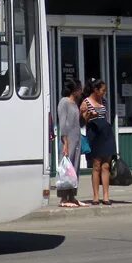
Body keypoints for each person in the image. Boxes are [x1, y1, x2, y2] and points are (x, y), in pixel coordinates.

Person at [81, 78, 116, 206]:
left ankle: (106, 196)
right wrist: (90, 115)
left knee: (106, 165)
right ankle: (95, 196)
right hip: (94, 133)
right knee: (96, 165)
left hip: (106, 133)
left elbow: (105, 117)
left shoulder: (104, 101)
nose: (104, 93)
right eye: (102, 90)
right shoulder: (86, 102)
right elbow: (82, 121)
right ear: (95, 90)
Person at [56, 78, 84, 207]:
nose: (81, 91)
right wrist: (65, 143)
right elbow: (63, 124)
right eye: (80, 89)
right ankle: (63, 198)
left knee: (75, 167)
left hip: (76, 139)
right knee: (66, 169)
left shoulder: (75, 103)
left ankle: (72, 196)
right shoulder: (64, 102)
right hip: (68, 140)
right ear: (74, 90)